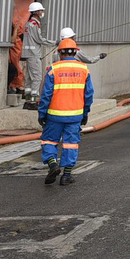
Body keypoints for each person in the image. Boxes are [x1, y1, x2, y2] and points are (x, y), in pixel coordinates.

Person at [38, 38, 94, 186]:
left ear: (59, 53)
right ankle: (66, 176)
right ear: (76, 52)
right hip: (75, 115)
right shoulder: (84, 70)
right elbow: (88, 95)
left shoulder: (53, 69)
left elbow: (46, 94)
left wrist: (42, 113)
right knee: (71, 144)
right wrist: (85, 113)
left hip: (54, 115)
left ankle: (52, 164)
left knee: (49, 141)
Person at [21, 2, 55, 110]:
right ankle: (33, 102)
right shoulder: (34, 24)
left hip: (28, 54)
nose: (42, 12)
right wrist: (54, 42)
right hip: (33, 54)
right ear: (36, 12)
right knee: (37, 77)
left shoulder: (28, 23)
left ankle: (27, 101)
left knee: (29, 78)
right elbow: (39, 39)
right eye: (41, 10)